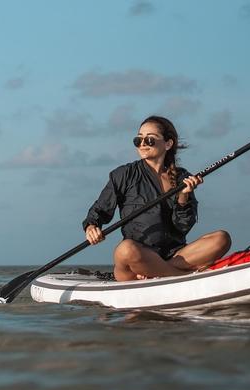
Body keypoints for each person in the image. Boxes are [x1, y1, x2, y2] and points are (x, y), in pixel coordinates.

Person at [83, 115, 231, 281]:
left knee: (221, 238)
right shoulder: (123, 174)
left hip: (175, 255)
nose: (143, 144)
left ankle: (156, 272)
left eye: (150, 139)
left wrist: (184, 196)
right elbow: (99, 211)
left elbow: (182, 227)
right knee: (125, 249)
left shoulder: (183, 177)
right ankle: (183, 277)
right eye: (138, 140)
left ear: (168, 144)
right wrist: (91, 227)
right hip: (137, 258)